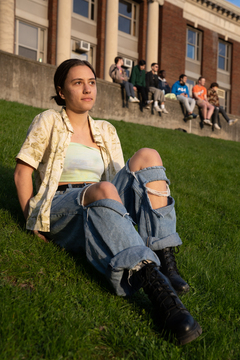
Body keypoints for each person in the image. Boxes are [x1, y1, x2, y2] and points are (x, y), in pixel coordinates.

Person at [14, 59, 202, 346]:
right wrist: (32, 220)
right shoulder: (48, 120)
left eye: (91, 82)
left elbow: (115, 183)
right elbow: (22, 172)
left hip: (104, 196)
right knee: (102, 188)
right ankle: (159, 291)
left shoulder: (106, 129)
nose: (87, 89)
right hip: (63, 204)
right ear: (61, 91)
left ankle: (166, 260)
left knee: (148, 155)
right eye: (77, 83)